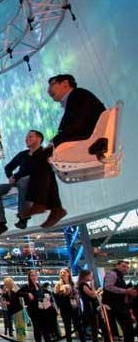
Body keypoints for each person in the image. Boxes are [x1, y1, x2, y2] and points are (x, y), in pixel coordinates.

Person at [22, 75, 105, 228]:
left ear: (65, 83)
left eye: (52, 85)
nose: (48, 90)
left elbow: (78, 124)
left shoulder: (78, 95)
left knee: (39, 157)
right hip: (85, 139)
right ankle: (53, 207)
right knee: (43, 160)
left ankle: (47, 205)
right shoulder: (77, 98)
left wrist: (55, 142)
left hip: (86, 141)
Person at [0, 130, 44, 237]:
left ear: (39, 139)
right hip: (19, 182)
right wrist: (10, 177)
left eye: (30, 137)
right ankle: (0, 224)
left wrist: (16, 177)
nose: (27, 139)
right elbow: (8, 167)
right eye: (26, 137)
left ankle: (23, 218)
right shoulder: (23, 154)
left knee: (23, 181)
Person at [102, 260, 137, 342]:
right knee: (127, 332)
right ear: (117, 266)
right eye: (123, 266)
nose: (125, 268)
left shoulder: (119, 276)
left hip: (120, 307)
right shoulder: (112, 274)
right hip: (115, 308)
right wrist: (126, 291)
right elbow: (108, 287)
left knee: (128, 333)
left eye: (127, 267)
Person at [77, 270, 113, 342]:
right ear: (86, 276)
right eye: (90, 275)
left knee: (104, 330)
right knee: (95, 332)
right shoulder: (83, 285)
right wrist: (97, 290)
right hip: (90, 311)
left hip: (95, 310)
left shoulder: (85, 285)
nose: (91, 277)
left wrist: (94, 289)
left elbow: (93, 294)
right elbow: (92, 295)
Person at [19, 270, 55, 342]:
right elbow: (18, 293)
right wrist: (27, 294)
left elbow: (43, 296)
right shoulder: (26, 286)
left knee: (46, 330)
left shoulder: (40, 286)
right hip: (33, 311)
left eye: (35, 275)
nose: (33, 277)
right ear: (29, 277)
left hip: (43, 310)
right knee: (37, 329)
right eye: (31, 275)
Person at [54, 268, 87, 342]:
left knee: (79, 329)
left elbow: (78, 295)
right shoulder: (58, 285)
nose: (62, 274)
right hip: (65, 310)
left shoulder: (73, 284)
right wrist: (65, 294)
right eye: (61, 272)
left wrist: (76, 297)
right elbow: (56, 298)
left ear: (69, 273)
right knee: (68, 329)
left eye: (64, 272)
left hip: (75, 308)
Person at [0, 277, 27, 342]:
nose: (5, 285)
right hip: (14, 312)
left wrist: (9, 303)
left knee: (20, 328)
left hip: (18, 311)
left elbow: (16, 300)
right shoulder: (8, 291)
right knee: (19, 329)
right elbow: (5, 298)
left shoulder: (15, 290)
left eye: (6, 284)